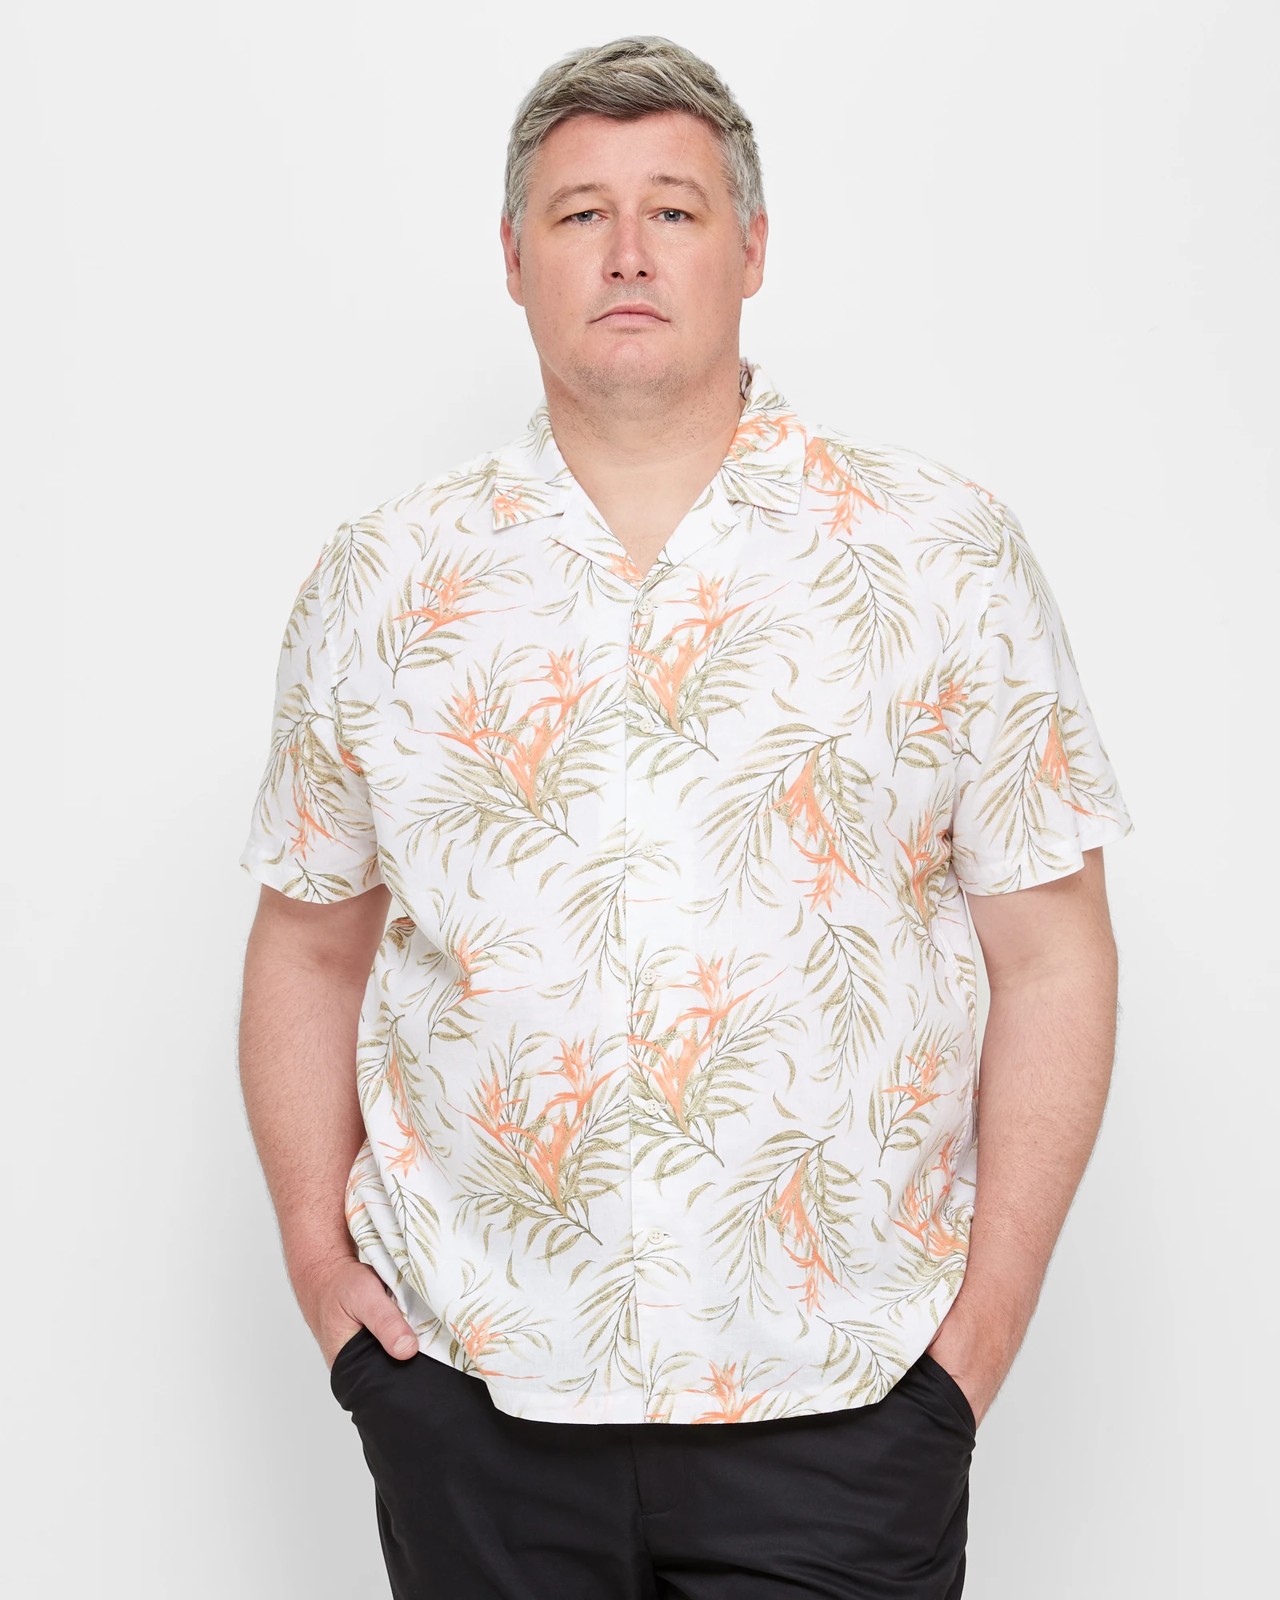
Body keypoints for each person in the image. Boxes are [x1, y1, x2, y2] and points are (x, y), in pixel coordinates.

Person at [236, 33, 1135, 1600]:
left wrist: (975, 1343)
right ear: (513, 258)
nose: (629, 252)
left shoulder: (940, 557)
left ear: (753, 249)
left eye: (675, 209)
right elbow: (308, 944)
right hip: (478, 1395)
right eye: (581, 214)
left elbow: (1052, 949)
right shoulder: (384, 579)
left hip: (845, 1401)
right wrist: (327, 1279)